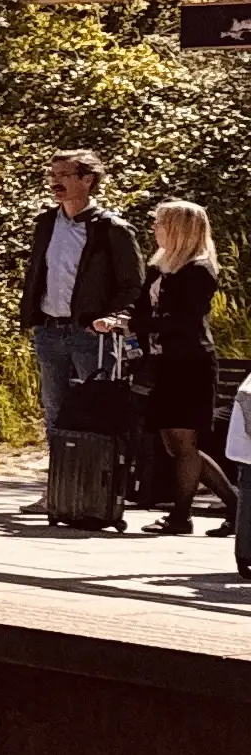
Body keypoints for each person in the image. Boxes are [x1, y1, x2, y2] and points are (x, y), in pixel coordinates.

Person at [16, 150, 143, 455]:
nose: (55, 182)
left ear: (88, 180)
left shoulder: (112, 229)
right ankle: (59, 489)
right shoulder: (46, 223)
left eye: (64, 175)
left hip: (91, 335)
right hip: (49, 331)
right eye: (52, 175)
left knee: (96, 411)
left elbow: (133, 286)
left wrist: (112, 318)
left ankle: (98, 491)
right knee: (55, 410)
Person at [138, 198, 227, 538]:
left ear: (178, 229)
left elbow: (181, 320)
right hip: (165, 361)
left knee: (185, 441)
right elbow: (144, 310)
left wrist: (139, 326)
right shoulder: (160, 267)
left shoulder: (198, 271)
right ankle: (236, 507)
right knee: (175, 444)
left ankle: (180, 515)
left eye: (161, 223)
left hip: (190, 363)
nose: (155, 229)